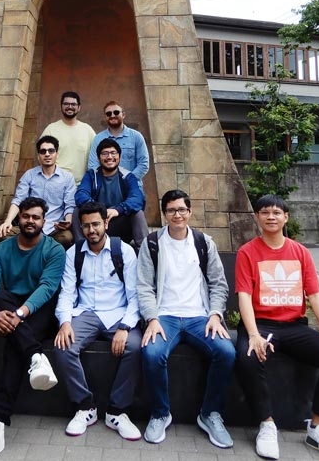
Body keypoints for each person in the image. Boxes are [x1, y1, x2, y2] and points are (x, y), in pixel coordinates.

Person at [235, 195, 319, 461]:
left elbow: (315, 295)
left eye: (277, 212)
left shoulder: (300, 252)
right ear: (257, 217)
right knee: (248, 358)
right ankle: (266, 425)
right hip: (261, 325)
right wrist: (253, 335)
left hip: (294, 326)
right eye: (265, 212)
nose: (271, 217)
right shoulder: (247, 252)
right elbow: (244, 295)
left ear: (286, 217)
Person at [0, 197, 66, 461]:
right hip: (12, 310)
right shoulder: (2, 249)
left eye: (36, 217)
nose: (30, 221)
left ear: (44, 221)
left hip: (40, 311)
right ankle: (36, 357)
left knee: (13, 346)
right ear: (18, 219)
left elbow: (47, 288)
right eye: (26, 216)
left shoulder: (54, 250)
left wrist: (16, 318)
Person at [137, 189, 235, 448]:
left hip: (199, 317)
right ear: (165, 214)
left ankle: (210, 413)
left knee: (226, 352)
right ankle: (160, 413)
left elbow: (218, 284)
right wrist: (152, 318)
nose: (177, 214)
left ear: (189, 212)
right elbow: (144, 286)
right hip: (165, 316)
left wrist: (215, 314)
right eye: (171, 210)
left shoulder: (204, 242)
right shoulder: (152, 243)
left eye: (181, 209)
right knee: (151, 353)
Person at [53, 201, 142, 441]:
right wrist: (64, 322)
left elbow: (135, 296)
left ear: (105, 223)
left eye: (95, 224)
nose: (91, 230)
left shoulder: (123, 251)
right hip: (85, 313)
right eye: (86, 226)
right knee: (63, 346)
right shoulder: (74, 253)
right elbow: (67, 292)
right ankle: (85, 407)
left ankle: (118, 412)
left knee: (135, 347)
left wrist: (125, 327)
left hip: (118, 313)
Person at [0, 136, 76, 247]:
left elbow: (70, 205)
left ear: (57, 154)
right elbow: (18, 200)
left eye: (51, 151)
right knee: (4, 234)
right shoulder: (29, 175)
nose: (47, 154)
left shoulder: (67, 178)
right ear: (38, 156)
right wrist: (8, 221)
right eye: (43, 151)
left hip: (54, 228)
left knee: (67, 238)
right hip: (30, 225)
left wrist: (67, 222)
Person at [74, 138, 148, 247]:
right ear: (99, 158)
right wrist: (99, 211)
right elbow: (80, 195)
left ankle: (145, 251)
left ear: (119, 156)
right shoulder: (91, 175)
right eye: (105, 153)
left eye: (113, 153)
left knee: (138, 213)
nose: (109, 157)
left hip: (120, 225)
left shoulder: (128, 176)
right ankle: (80, 248)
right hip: (95, 225)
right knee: (77, 211)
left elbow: (137, 198)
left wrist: (118, 210)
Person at [87, 100, 149, 191]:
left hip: (132, 189)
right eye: (108, 113)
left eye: (116, 112)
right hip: (107, 189)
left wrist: (127, 180)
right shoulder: (98, 139)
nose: (112, 115)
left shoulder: (136, 137)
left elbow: (144, 164)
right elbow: (93, 165)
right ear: (105, 117)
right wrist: (109, 181)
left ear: (123, 115)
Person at [41, 91, 96, 185]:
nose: (70, 107)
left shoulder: (87, 130)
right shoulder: (51, 129)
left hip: (80, 186)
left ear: (79, 107)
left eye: (73, 104)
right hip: (55, 184)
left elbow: (96, 155)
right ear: (61, 106)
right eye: (66, 104)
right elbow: (41, 156)